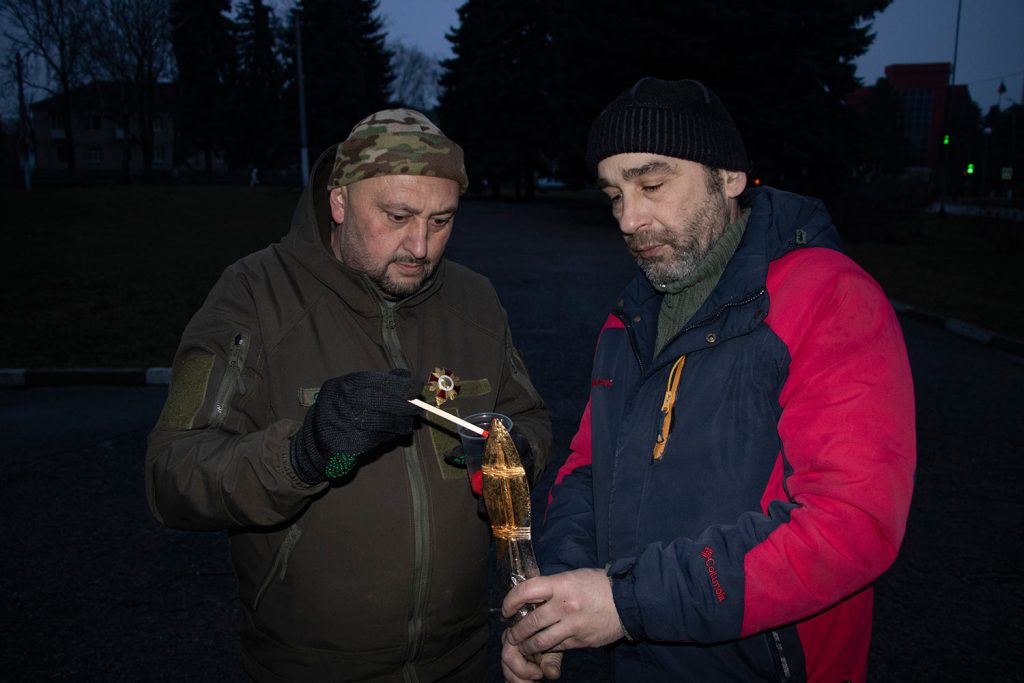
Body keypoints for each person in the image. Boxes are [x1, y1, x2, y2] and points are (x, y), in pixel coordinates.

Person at [500, 78, 915, 682]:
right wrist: (555, 604)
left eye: (653, 184)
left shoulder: (830, 297)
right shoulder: (628, 318)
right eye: (614, 194)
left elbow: (852, 522)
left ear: (730, 177)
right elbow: (590, 473)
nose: (628, 218)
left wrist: (629, 601)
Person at [146, 108, 552, 682]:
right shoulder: (254, 297)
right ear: (339, 202)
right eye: (398, 216)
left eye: (442, 220)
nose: (421, 245)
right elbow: (171, 473)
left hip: (461, 658)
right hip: (312, 667)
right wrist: (302, 455)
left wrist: (515, 454)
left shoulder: (475, 300)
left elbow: (530, 416)